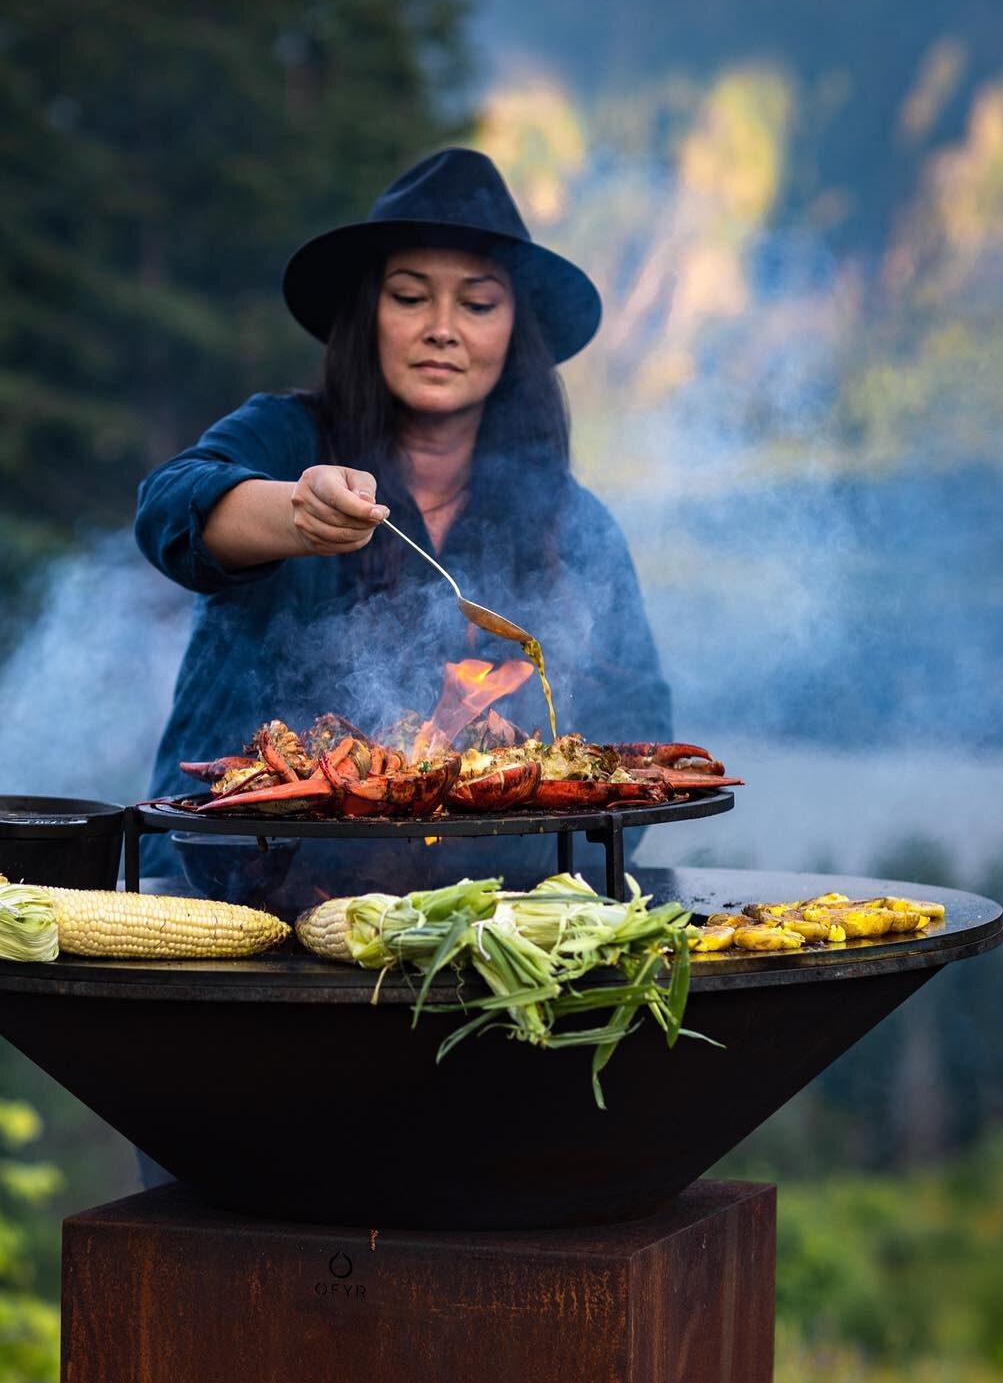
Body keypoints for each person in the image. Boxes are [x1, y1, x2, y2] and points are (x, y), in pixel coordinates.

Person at [135, 146, 672, 887]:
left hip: (472, 918)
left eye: (478, 304)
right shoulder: (288, 438)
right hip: (228, 889)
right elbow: (169, 508)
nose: (442, 329)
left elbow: (633, 722)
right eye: (411, 297)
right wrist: (295, 512)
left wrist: (568, 894)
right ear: (369, 314)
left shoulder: (568, 520)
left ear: (517, 331)